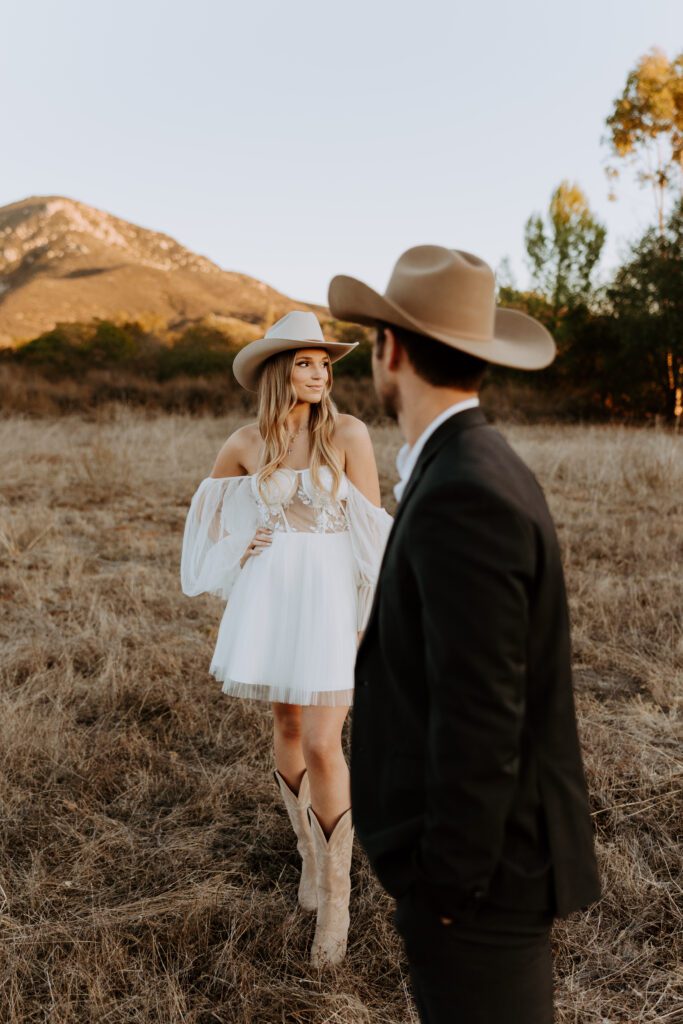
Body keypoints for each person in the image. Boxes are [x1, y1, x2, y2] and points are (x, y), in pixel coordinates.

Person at [328, 247, 601, 1022]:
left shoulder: (464, 490)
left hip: (480, 886)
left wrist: (443, 891)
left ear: (390, 349)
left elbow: (483, 715)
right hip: (482, 874)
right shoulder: (469, 462)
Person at [180, 310, 393, 968]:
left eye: (325, 364)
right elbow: (209, 522)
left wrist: (367, 614)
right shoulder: (246, 442)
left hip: (332, 597)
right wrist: (249, 539)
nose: (319, 373)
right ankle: (308, 857)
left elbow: (373, 530)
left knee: (326, 741)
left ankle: (336, 906)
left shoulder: (349, 434)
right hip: (272, 594)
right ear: (279, 371)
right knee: (288, 723)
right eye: (305, 362)